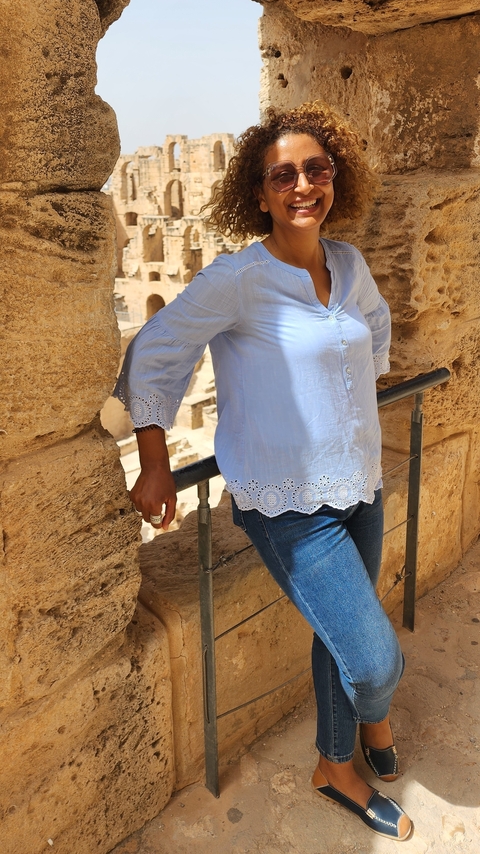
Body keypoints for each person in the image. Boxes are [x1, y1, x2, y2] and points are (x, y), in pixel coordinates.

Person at [114, 103, 413, 842]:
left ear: (337, 177)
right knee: (374, 660)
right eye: (284, 174)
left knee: (337, 631)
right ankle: (352, 742)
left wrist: (358, 384)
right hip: (289, 506)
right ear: (258, 192)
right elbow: (156, 350)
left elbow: (374, 329)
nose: (303, 185)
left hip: (360, 483)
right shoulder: (240, 279)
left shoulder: (348, 264)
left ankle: (345, 753)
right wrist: (154, 460)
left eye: (318, 169)